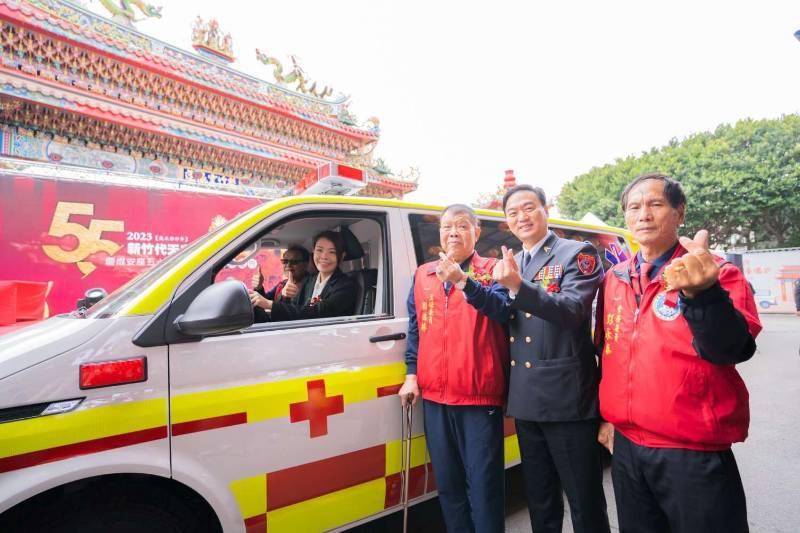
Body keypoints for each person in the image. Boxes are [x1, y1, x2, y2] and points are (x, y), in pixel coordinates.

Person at [596, 173, 762, 533]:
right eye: (634, 207)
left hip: (692, 450)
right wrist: (608, 418)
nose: (644, 215)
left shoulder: (715, 272)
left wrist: (704, 294)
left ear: (679, 213)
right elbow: (608, 351)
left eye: (655, 204)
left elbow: (732, 348)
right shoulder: (615, 277)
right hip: (627, 448)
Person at [491, 184, 610, 533]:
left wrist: (518, 287)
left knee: (583, 497)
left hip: (566, 398)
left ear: (547, 209)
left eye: (529, 208)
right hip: (527, 397)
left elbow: (574, 310)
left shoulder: (577, 253)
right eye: (513, 213)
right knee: (539, 497)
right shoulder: (516, 260)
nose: (521, 217)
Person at [398, 204, 510, 533]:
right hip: (434, 397)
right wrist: (411, 376)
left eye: (462, 226)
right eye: (447, 227)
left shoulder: (493, 270)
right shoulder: (424, 274)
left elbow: (502, 310)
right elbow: (416, 328)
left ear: (477, 233)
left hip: (478, 396)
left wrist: (464, 282)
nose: (453, 233)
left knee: (485, 487)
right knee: (448, 485)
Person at [249, 231, 356, 321]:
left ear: (341, 256)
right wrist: (285, 297)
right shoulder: (309, 281)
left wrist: (270, 304)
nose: (324, 256)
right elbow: (293, 311)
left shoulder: (345, 286)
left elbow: (317, 313)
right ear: (313, 252)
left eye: (332, 252)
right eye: (319, 250)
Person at [250, 245, 313, 323]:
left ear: (306, 265)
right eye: (285, 261)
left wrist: (285, 298)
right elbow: (264, 300)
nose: (288, 265)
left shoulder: (311, 285)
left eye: (294, 262)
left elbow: (300, 313)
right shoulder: (282, 284)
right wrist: (259, 287)